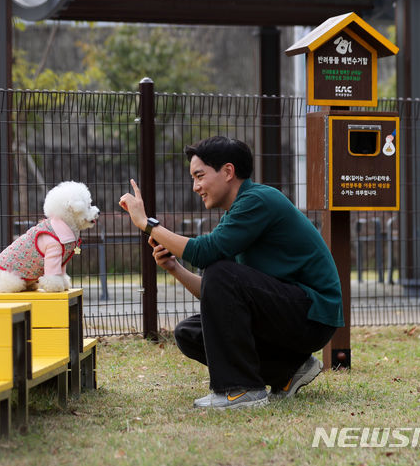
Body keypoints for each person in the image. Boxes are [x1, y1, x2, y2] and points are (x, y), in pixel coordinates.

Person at [118, 136, 343, 410]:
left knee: (219, 269)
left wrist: (147, 224)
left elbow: (208, 256)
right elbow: (217, 291)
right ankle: (289, 367)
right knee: (189, 332)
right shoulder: (237, 213)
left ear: (227, 172)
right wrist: (174, 268)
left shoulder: (259, 200)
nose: (195, 186)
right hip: (288, 312)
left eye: (199, 176)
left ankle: (242, 389)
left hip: (313, 315)